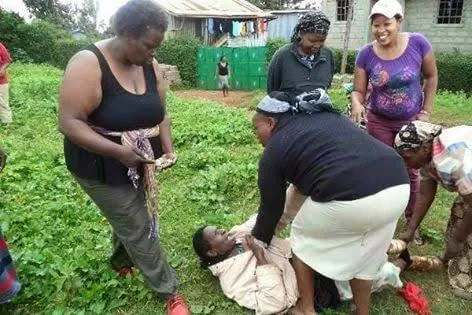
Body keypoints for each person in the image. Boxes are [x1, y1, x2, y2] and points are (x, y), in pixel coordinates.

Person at [57, 1, 189, 314]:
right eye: (148, 46)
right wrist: (119, 152)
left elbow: (161, 114)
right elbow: (69, 122)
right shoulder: (88, 64)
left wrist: (167, 149)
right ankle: (169, 291)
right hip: (98, 164)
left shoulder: (149, 63)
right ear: (125, 34)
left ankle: (119, 261)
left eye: (156, 48)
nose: (152, 55)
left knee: (128, 215)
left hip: (138, 159)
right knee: (136, 222)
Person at [250, 90, 410, 315]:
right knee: (366, 256)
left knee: (301, 239)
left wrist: (259, 238)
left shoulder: (275, 148)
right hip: (398, 187)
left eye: (256, 128)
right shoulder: (326, 120)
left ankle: (306, 309)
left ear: (271, 122)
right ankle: (362, 311)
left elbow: (271, 207)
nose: (256, 136)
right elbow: (301, 189)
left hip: (355, 198)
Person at [192, 214, 407, 315]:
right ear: (212, 251)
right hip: (312, 287)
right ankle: (403, 262)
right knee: (373, 276)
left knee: (350, 246)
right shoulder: (232, 281)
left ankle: (382, 250)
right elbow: (273, 303)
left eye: (219, 228)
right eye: (217, 234)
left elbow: (261, 217)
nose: (223, 231)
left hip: (308, 254)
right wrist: (261, 258)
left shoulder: (237, 235)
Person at [350, 0, 438, 243]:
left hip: (410, 122)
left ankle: (412, 222)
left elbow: (431, 76)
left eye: (386, 23)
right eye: (376, 25)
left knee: (411, 172)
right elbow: (359, 90)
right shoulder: (366, 54)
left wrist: (426, 112)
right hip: (378, 121)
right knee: (381, 169)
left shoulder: (418, 43)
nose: (381, 30)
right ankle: (380, 220)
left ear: (399, 21)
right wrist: (357, 102)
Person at [394, 120, 472, 300]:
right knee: (461, 212)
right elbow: (424, 195)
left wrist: (458, 239)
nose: (406, 164)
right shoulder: (427, 154)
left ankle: (465, 279)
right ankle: (454, 260)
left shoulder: (456, 160)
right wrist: (411, 229)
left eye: (407, 157)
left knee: (465, 225)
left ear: (424, 148)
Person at [267, 11, 335, 96]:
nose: (317, 45)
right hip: (288, 108)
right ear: (301, 34)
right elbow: (272, 91)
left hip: (319, 108)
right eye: (312, 41)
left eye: (322, 41)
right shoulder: (282, 56)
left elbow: (327, 85)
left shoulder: (327, 55)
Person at [0, 42, 12, 124]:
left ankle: (7, 124)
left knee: (3, 103)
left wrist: (2, 69)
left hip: (1, 81)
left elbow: (8, 60)